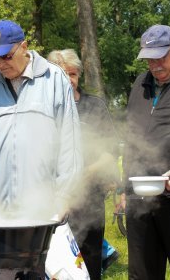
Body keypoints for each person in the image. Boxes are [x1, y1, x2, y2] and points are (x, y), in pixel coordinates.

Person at [0, 20, 83, 222]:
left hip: (45, 210)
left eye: (6, 56)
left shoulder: (54, 80)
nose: (0, 64)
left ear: (24, 46)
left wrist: (65, 195)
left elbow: (70, 144)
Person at [48, 48, 119, 279]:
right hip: (53, 199)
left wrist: (86, 173)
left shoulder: (95, 106)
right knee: (56, 262)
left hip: (90, 197)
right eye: (61, 74)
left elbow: (111, 151)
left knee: (89, 259)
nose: (68, 80)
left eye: (72, 74)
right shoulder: (45, 108)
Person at [123, 24, 170, 280]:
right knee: (142, 274)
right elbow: (131, 137)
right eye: (149, 59)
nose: (155, 66)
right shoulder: (140, 85)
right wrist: (124, 189)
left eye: (161, 57)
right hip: (140, 198)